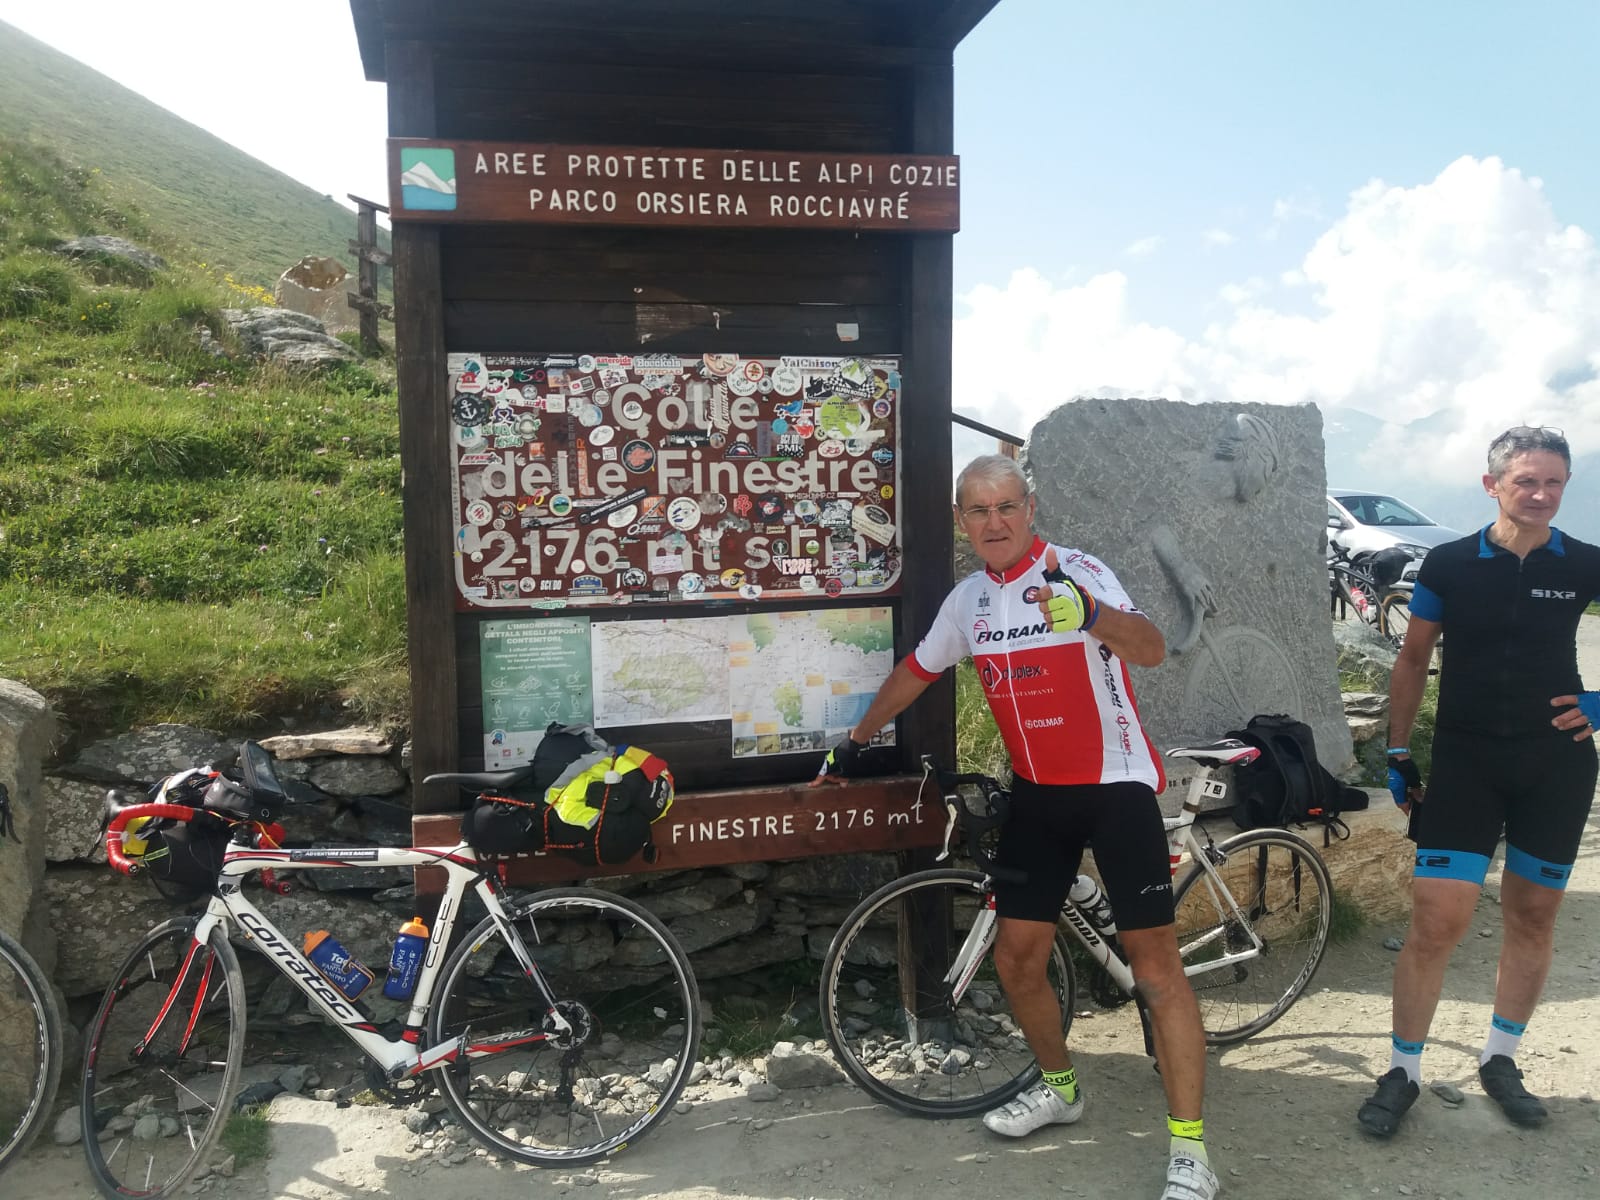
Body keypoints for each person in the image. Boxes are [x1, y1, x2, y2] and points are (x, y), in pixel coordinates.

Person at [816, 454, 1218, 1200]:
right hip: (1038, 798)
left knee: (1156, 973)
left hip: (1115, 789)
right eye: (979, 510)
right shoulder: (969, 602)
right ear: (962, 522)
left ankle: (1191, 1149)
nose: (994, 522)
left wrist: (1089, 614)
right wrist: (855, 740)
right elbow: (917, 670)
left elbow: (1153, 648)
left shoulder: (1078, 572)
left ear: (1030, 509)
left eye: (1007, 506)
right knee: (1018, 959)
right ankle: (1062, 1089)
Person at [1358, 426, 1600, 1138]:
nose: (1541, 494)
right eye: (1526, 480)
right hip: (1467, 763)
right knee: (1436, 920)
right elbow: (1412, 658)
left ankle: (1501, 1059)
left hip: (1556, 764)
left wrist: (1599, 704)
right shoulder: (1452, 562)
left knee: (1533, 916)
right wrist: (1398, 751)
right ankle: (1402, 1070)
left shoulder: (1585, 563)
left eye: (1553, 482)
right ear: (1492, 484)